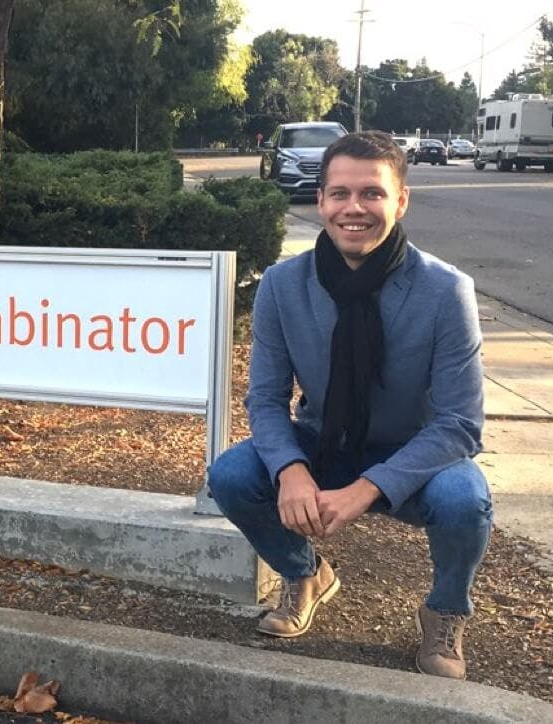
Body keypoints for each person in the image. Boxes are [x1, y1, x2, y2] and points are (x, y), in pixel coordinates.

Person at [206, 131, 492, 680]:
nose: (353, 208)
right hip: (324, 442)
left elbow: (460, 424)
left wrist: (369, 490)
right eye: (339, 194)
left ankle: (445, 611)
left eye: (372, 194)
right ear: (321, 202)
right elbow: (266, 398)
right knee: (233, 476)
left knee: (465, 500)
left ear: (400, 200)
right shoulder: (283, 285)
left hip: (416, 453)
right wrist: (291, 471)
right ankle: (305, 573)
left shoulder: (445, 291)